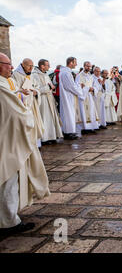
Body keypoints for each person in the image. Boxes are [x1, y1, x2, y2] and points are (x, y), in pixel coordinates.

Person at [0, 53, 50, 237]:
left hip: (6, 135)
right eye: (8, 65)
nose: (11, 68)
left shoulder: (5, 82)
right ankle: (7, 221)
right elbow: (16, 113)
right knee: (8, 178)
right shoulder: (1, 85)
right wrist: (29, 117)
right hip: (7, 140)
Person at [12, 58, 44, 147]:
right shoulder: (16, 75)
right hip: (24, 104)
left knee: (35, 123)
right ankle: (28, 144)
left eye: (32, 66)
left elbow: (37, 87)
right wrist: (24, 92)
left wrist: (36, 92)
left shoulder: (31, 75)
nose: (31, 68)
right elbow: (15, 90)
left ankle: (37, 144)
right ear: (23, 65)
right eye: (29, 66)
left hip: (33, 103)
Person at [32, 59, 63, 144]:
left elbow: (51, 85)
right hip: (43, 100)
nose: (49, 67)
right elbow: (36, 90)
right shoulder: (35, 75)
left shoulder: (45, 74)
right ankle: (45, 138)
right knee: (45, 119)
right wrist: (49, 88)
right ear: (42, 66)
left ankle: (52, 136)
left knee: (51, 118)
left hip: (49, 98)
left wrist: (51, 87)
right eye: (47, 65)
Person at [59, 57, 85, 140]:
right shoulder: (66, 73)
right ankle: (68, 132)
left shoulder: (66, 72)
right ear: (71, 63)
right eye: (75, 62)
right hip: (67, 96)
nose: (76, 64)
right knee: (68, 114)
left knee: (69, 113)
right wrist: (80, 90)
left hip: (69, 95)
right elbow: (70, 86)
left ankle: (69, 131)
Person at [76, 61, 99, 134]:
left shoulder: (90, 76)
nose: (89, 68)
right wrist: (86, 89)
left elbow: (95, 85)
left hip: (89, 96)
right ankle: (85, 128)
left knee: (91, 111)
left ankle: (91, 127)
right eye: (87, 66)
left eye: (90, 67)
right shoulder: (79, 76)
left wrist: (93, 89)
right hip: (83, 96)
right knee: (84, 112)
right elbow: (77, 87)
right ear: (84, 66)